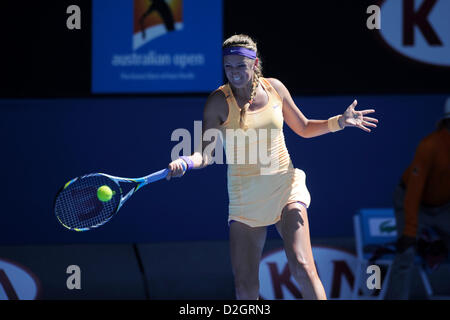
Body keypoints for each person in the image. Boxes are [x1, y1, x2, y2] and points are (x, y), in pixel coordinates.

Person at [166, 34, 378, 300]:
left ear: (254, 64)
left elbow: (303, 127)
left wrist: (339, 121)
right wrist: (186, 161)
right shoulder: (218, 102)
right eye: (228, 67)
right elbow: (206, 154)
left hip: (285, 187)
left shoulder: (275, 88)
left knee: (302, 264)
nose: (234, 73)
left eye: (240, 66)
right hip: (246, 201)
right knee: (246, 288)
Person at [385, 98, 450, 300]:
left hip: (444, 207)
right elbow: (414, 191)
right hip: (413, 202)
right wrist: (410, 231)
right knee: (406, 252)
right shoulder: (429, 146)